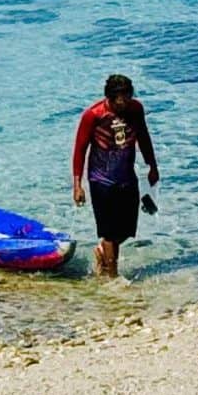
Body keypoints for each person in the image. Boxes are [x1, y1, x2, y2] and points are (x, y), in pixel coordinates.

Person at [77, 115, 146, 279]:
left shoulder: (134, 110)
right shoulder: (93, 115)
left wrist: (152, 166)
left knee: (126, 231)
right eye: (118, 101)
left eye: (125, 101)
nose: (122, 103)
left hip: (127, 179)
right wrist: (77, 185)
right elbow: (80, 149)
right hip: (100, 180)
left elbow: (144, 137)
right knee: (109, 233)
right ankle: (113, 277)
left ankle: (103, 251)